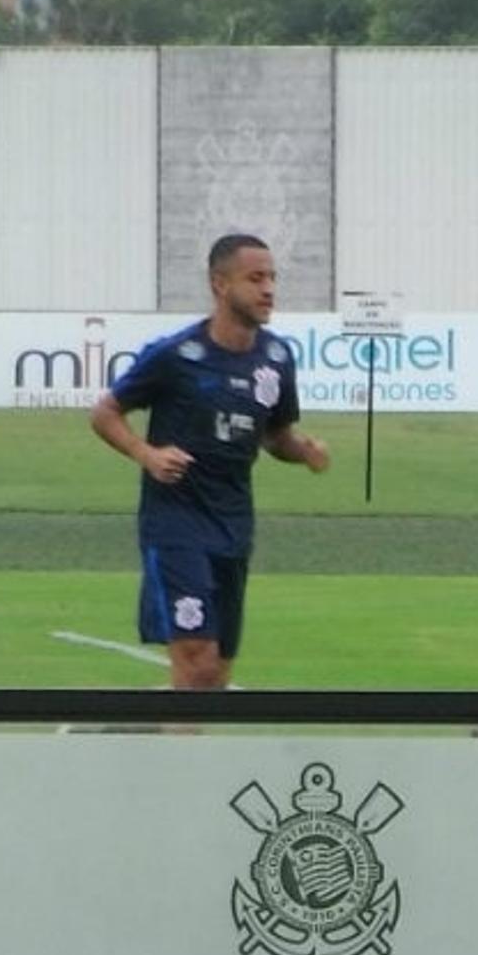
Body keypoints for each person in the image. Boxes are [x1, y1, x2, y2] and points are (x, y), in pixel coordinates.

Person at [89, 233, 329, 690]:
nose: (268, 289)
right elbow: (105, 413)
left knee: (214, 678)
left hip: (234, 524)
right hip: (176, 522)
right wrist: (147, 454)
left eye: (273, 278)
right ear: (220, 284)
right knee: (196, 662)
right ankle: (182, 762)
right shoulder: (177, 355)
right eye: (255, 278)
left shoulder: (276, 358)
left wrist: (305, 452)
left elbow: (275, 438)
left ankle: (123, 731)